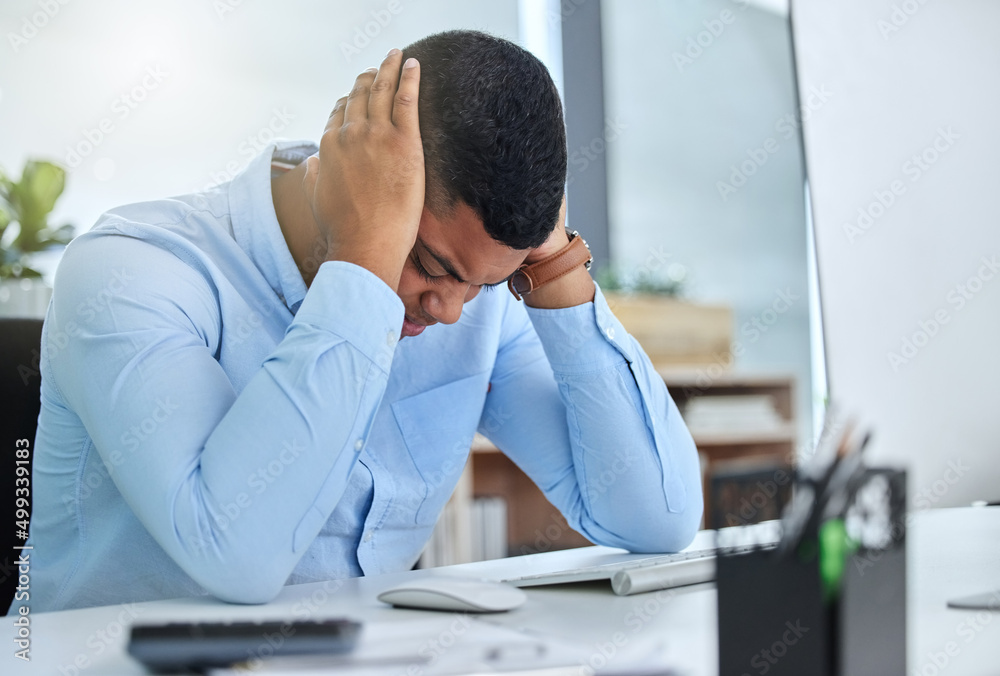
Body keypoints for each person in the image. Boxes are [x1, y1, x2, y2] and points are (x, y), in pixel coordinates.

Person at [15, 30, 702, 613]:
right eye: (430, 264)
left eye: (488, 282)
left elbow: (656, 517)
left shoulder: (466, 297)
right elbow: (236, 556)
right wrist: (366, 256)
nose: (451, 310)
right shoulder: (131, 272)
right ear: (349, 165)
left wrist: (552, 268)